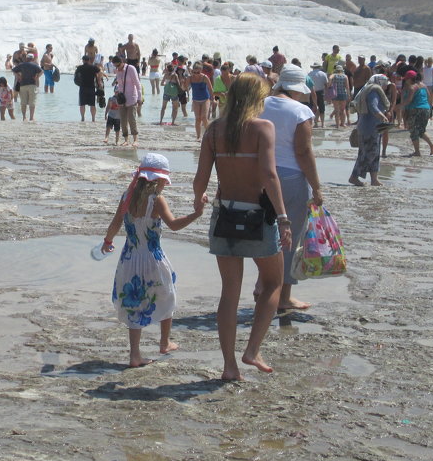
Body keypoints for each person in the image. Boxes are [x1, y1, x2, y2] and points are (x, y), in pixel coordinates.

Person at [192, 73, 293, 381]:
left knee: (229, 293)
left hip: (224, 215)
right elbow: (269, 175)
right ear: (255, 99)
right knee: (273, 283)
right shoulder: (263, 128)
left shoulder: (214, 130)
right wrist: (285, 218)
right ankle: (252, 350)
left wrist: (199, 201)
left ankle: (229, 366)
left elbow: (201, 178)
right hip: (257, 218)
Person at [100, 153, 206, 367]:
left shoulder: (126, 196)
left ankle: (135, 355)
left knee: (133, 304)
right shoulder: (156, 200)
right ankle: (165, 342)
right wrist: (197, 214)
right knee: (167, 294)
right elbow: (174, 225)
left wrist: (107, 241)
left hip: (129, 258)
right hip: (153, 258)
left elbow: (115, 224)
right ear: (159, 180)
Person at [258, 65, 323, 312]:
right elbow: (304, 152)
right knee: (289, 237)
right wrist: (316, 187)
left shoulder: (261, 104)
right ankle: (283, 296)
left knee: (265, 233)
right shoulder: (300, 111)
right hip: (292, 178)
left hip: (262, 175)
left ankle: (261, 286)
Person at [349, 74, 391, 186]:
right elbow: (373, 107)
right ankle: (354, 177)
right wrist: (382, 116)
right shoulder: (373, 91)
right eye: (385, 83)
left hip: (373, 127)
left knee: (375, 153)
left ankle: (374, 179)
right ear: (380, 82)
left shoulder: (369, 89)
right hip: (370, 127)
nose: (386, 86)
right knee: (369, 153)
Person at [403, 70, 433, 156]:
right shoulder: (424, 86)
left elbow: (409, 100)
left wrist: (400, 106)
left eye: (406, 79)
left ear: (410, 79)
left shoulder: (412, 87)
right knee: (421, 131)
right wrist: (429, 108)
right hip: (426, 109)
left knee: (413, 131)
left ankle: (417, 151)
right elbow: (429, 97)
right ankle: (432, 145)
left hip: (415, 109)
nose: (405, 81)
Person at [113, 55, 142, 146]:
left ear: (122, 62)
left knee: (131, 119)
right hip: (121, 99)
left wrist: (139, 98)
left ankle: (135, 140)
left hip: (132, 98)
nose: (117, 68)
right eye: (115, 66)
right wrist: (117, 95)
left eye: (118, 65)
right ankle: (126, 140)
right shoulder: (118, 71)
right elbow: (120, 86)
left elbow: (137, 84)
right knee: (123, 121)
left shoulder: (131, 69)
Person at [12, 51, 42, 121]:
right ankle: (31, 117)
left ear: (27, 58)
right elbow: (41, 71)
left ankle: (24, 117)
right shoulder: (35, 65)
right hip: (32, 85)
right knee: (32, 102)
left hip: (23, 85)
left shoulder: (22, 65)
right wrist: (37, 77)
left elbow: (13, 70)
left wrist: (18, 76)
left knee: (23, 102)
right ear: (33, 58)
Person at [189, 62, 213, 141]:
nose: (196, 74)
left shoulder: (205, 77)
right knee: (197, 118)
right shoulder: (190, 78)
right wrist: (183, 83)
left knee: (204, 117)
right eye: (194, 72)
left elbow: (210, 89)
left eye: (198, 72)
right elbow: (184, 88)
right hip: (195, 100)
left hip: (205, 99)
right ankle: (198, 137)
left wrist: (213, 100)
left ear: (201, 71)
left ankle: (209, 134)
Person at [75, 54, 102, 121]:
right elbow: (100, 72)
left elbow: (76, 76)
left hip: (82, 87)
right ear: (89, 60)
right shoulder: (93, 67)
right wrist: (99, 81)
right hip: (91, 87)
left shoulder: (80, 68)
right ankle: (93, 119)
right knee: (92, 104)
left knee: (82, 104)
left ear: (83, 60)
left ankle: (82, 118)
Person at [330, 63, 350, 128]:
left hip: (335, 94)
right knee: (343, 109)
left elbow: (330, 79)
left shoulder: (334, 75)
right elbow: (347, 87)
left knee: (336, 110)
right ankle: (343, 123)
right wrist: (349, 95)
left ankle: (337, 125)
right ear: (341, 70)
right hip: (343, 94)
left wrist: (329, 85)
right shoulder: (345, 76)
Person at [309, 63, 328, 128]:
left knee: (314, 107)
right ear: (319, 67)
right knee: (322, 108)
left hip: (312, 92)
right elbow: (326, 84)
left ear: (313, 67)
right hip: (321, 92)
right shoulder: (323, 74)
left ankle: (315, 123)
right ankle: (323, 124)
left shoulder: (310, 74)